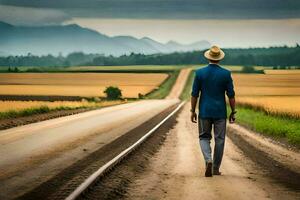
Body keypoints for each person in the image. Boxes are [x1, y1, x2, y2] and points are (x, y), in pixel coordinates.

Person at [190, 45, 236, 177]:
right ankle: (215, 168)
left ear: (208, 57)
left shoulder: (199, 73)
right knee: (220, 139)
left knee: (204, 137)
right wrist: (233, 111)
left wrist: (192, 111)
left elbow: (194, 94)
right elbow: (231, 95)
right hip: (220, 112)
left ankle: (208, 160)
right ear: (219, 59)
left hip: (204, 111)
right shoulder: (226, 74)